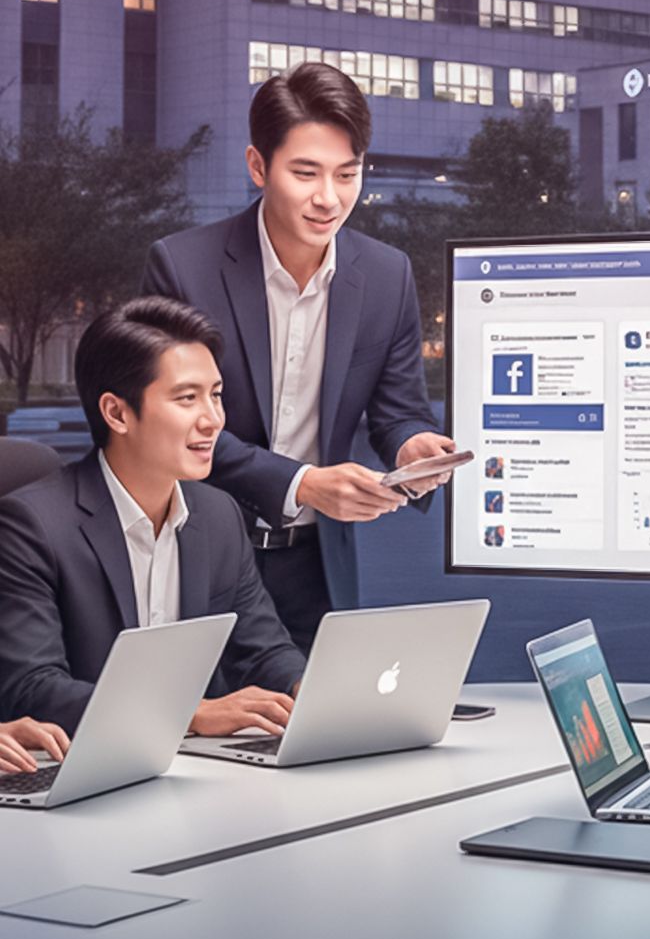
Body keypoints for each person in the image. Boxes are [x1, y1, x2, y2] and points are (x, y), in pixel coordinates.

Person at [141, 61, 453, 650]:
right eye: (305, 173)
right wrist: (302, 483)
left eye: (347, 174)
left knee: (321, 732)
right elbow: (171, 428)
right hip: (198, 562)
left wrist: (415, 446)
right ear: (258, 166)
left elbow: (398, 412)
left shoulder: (387, 276)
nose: (328, 199)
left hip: (319, 569)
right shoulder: (183, 268)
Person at [0, 298, 307, 736]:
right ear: (117, 413)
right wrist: (190, 715)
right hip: (88, 769)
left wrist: (308, 688)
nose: (214, 420)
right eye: (187, 398)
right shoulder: (31, 525)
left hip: (199, 769)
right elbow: (34, 689)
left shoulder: (218, 514)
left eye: (216, 395)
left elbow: (262, 650)